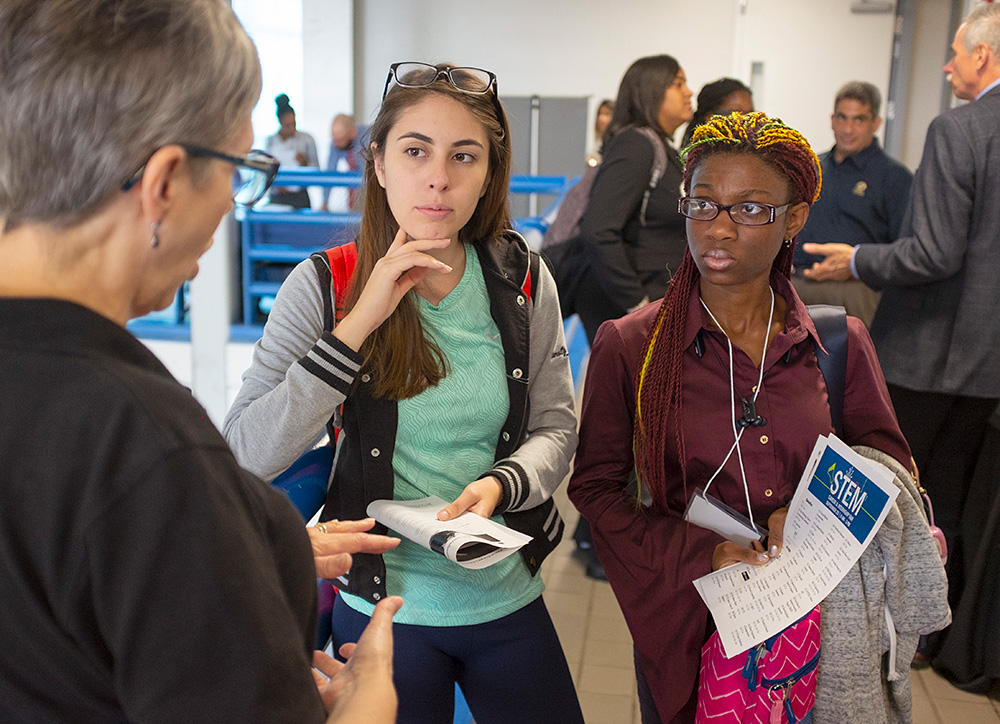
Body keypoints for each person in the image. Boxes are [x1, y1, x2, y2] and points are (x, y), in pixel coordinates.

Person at [0, 1, 402, 722]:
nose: (229, 204)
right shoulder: (144, 445)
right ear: (163, 183)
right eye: (236, 169)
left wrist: (254, 549)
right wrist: (365, 705)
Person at [224, 61, 584, 724]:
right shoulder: (324, 285)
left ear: (488, 173)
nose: (438, 178)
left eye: (464, 156)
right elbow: (245, 452)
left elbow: (558, 431)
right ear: (380, 163)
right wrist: (361, 322)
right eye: (415, 150)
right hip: (384, 608)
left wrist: (503, 484)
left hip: (505, 595)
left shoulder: (523, 281)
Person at [568, 112, 913, 723]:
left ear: (795, 220)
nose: (719, 228)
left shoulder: (838, 343)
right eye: (703, 205)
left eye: (751, 209)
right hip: (691, 623)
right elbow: (596, 489)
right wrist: (702, 551)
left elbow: (893, 471)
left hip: (821, 625)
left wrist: (812, 515)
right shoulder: (632, 347)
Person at [802, 3, 1000, 673]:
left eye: (956, 53)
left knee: (891, 495)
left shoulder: (959, 130)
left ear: (984, 56)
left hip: (930, 356)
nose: (947, 65)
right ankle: (933, 635)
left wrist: (855, 260)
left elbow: (934, 252)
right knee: (955, 503)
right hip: (987, 367)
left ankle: (879, 631)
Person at [573, 54, 693, 346]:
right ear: (651, 91)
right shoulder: (637, 144)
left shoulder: (661, 147)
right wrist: (637, 303)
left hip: (652, 301)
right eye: (678, 84)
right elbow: (599, 229)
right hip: (629, 307)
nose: (689, 92)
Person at [791, 81, 913, 326]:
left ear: (875, 124)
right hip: (799, 286)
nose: (847, 128)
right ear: (831, 119)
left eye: (858, 120)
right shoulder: (810, 167)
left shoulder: (895, 178)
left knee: (854, 363)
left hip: (856, 292)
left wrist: (855, 264)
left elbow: (906, 250)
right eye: (841, 118)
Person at [266, 93, 320, 209]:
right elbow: (264, 172)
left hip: (299, 197)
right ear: (280, 122)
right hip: (277, 196)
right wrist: (275, 185)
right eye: (287, 125)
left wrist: (305, 163)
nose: (292, 129)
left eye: (294, 124)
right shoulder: (270, 142)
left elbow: (317, 170)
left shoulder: (307, 140)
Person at [680, 77, 754, 148]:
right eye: (737, 114)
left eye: (751, 115)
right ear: (709, 117)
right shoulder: (695, 157)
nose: (746, 121)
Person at [321, 113, 367, 212]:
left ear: (352, 133)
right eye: (335, 140)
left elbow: (367, 172)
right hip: (356, 186)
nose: (336, 144)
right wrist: (325, 202)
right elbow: (330, 170)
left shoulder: (367, 138)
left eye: (340, 140)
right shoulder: (336, 142)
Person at [585, 98, 615, 166]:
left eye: (607, 114)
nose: (602, 118)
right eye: (600, 113)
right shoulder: (598, 142)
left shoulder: (617, 142)